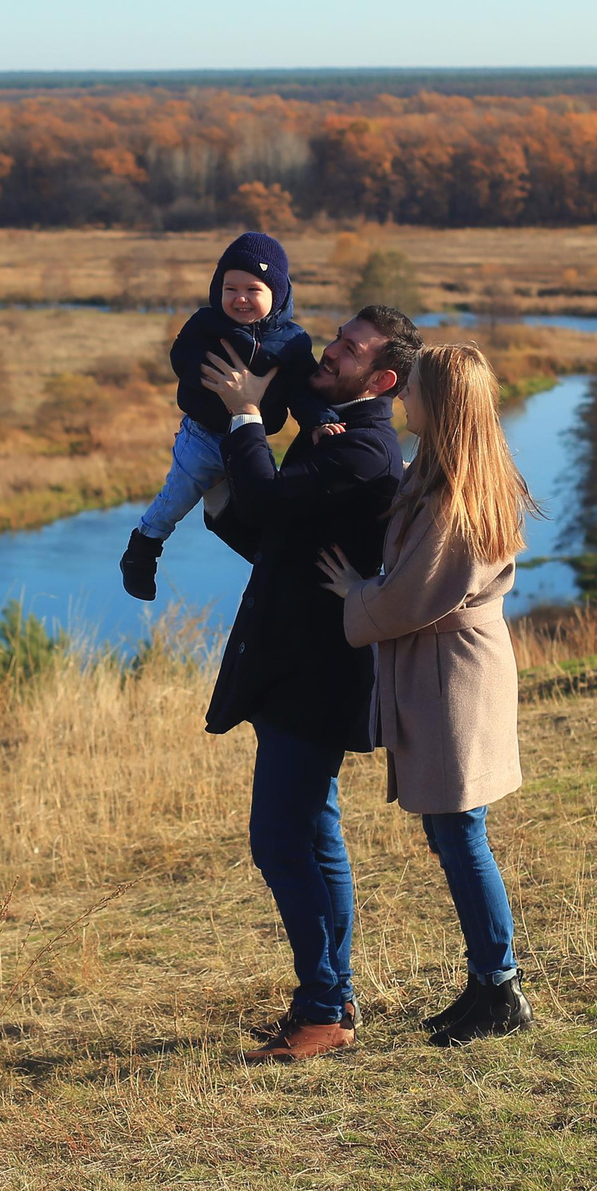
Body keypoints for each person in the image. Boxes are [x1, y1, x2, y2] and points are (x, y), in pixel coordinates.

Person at [193, 304, 421, 1062]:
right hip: (296, 663)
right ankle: (333, 995)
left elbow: (271, 500)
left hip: (315, 672)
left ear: (382, 377)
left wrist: (247, 416)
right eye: (338, 337)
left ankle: (324, 1003)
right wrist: (223, 508)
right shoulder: (336, 431)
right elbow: (276, 528)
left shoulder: (363, 450)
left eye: (350, 349)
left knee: (280, 839)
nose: (331, 350)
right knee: (314, 833)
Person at [317, 342, 535, 1047]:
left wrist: (355, 592)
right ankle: (487, 983)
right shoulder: (452, 476)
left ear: (439, 405)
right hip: (452, 669)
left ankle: (499, 987)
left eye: (410, 390)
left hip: (452, 676)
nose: (401, 399)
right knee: (452, 828)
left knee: (459, 829)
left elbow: (412, 593)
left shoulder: (453, 497)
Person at [119, 231, 327, 602]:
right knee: (178, 497)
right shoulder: (207, 324)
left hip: (250, 440)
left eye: (253, 289)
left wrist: (319, 420)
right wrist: (212, 374)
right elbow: (179, 356)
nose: (240, 298)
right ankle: (142, 551)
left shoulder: (293, 343)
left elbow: (303, 391)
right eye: (230, 288)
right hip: (202, 435)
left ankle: (272, 563)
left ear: (277, 295)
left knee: (255, 507)